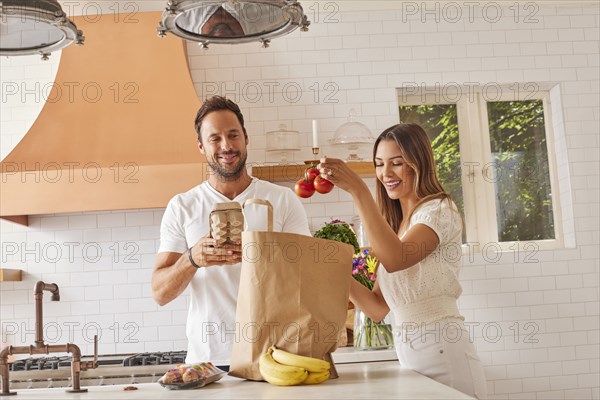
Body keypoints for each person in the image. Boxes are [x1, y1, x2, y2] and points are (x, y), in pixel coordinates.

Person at [318, 123, 487, 399]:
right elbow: (377, 308)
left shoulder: (439, 211)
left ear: (418, 163)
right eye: (379, 164)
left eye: (396, 163)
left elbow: (397, 259)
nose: (386, 174)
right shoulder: (399, 229)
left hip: (444, 350)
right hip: (410, 353)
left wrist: (358, 190)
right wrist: (331, 267)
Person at [151, 96, 310, 368]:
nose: (226, 146)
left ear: (246, 138)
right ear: (201, 146)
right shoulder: (183, 206)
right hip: (208, 362)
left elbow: (309, 278)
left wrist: (268, 254)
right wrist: (192, 259)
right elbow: (160, 293)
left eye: (233, 135)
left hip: (275, 357)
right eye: (215, 138)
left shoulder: (283, 200)